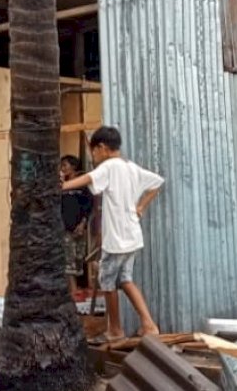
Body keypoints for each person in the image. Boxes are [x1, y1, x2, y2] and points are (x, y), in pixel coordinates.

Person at [62, 126, 164, 342]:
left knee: (107, 282)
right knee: (125, 279)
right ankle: (148, 324)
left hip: (117, 239)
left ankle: (116, 330)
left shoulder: (109, 166)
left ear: (102, 148)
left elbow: (87, 179)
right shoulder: (131, 167)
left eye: (94, 152)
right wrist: (141, 207)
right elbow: (157, 182)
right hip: (132, 235)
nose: (94, 157)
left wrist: (61, 186)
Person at [60, 155, 94, 298]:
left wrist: (83, 223)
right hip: (65, 228)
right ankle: (73, 289)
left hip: (80, 226)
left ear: (73, 166)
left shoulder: (82, 185)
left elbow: (88, 205)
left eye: (65, 165)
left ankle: (79, 286)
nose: (62, 168)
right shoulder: (61, 185)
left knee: (79, 257)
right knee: (68, 258)